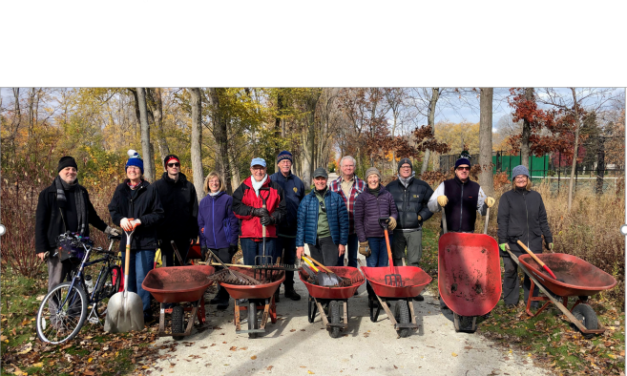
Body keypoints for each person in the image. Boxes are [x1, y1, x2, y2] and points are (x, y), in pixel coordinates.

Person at [35, 156, 121, 326]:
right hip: (57, 246)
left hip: (79, 245)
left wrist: (107, 229)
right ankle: (57, 321)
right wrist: (40, 247)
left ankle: (74, 316)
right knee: (56, 284)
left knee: (78, 281)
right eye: (67, 169)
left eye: (73, 169)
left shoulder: (81, 192)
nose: (71, 172)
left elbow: (92, 216)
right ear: (60, 172)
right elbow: (40, 222)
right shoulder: (48, 194)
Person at [427, 153, 495, 310]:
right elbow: (430, 206)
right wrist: (438, 201)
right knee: (447, 267)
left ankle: (464, 296)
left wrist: (486, 204)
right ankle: (445, 298)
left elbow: (482, 211)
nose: (464, 170)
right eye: (460, 168)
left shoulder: (476, 188)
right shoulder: (445, 185)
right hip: (448, 233)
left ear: (469, 170)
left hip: (468, 235)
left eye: (466, 168)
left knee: (466, 268)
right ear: (455, 170)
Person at [108, 150, 164, 323]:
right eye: (130, 167)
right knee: (128, 277)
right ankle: (129, 310)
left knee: (142, 277)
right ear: (126, 170)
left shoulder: (150, 189)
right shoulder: (121, 190)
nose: (132, 170)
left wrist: (140, 221)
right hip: (127, 241)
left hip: (145, 241)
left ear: (141, 171)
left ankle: (144, 310)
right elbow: (113, 210)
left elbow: (158, 214)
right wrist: (121, 220)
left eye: (136, 168)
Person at [497, 165, 553, 310]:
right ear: (513, 179)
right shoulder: (507, 197)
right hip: (513, 242)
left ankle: (532, 303)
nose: (521, 179)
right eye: (517, 176)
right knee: (510, 271)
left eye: (523, 176)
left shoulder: (536, 197)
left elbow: (543, 219)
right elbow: (502, 220)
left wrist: (548, 238)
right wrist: (502, 241)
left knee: (532, 274)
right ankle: (510, 302)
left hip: (533, 241)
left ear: (528, 178)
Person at [385, 158, 433, 301]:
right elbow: (382, 205)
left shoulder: (422, 186)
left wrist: (421, 217)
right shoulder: (390, 187)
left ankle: (413, 290)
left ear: (411, 169)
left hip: (414, 230)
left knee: (414, 260)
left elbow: (432, 204)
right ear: (398, 169)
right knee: (397, 259)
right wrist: (388, 218)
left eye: (408, 167)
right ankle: (398, 289)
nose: (406, 169)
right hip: (396, 231)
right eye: (403, 166)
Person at [354, 167, 398, 305]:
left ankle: (382, 295)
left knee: (384, 267)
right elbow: (358, 221)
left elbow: (394, 211)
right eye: (370, 177)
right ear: (367, 180)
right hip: (371, 238)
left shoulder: (387, 195)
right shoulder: (362, 197)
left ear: (379, 178)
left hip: (386, 236)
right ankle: (372, 296)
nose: (373, 180)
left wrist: (393, 218)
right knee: (372, 268)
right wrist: (363, 241)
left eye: (375, 177)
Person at [232, 158, 286, 267]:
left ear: (265, 169)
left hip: (268, 235)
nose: (258, 171)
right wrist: (253, 211)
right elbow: (236, 208)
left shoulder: (276, 188)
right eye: (255, 168)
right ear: (251, 170)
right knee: (250, 270)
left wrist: (272, 219)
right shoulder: (243, 188)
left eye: (261, 168)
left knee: (266, 270)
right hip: (248, 236)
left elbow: (282, 210)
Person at [198, 172, 240, 310]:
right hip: (210, 243)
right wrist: (203, 244)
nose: (214, 183)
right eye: (211, 181)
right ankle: (219, 293)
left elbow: (234, 222)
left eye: (216, 181)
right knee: (215, 271)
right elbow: (201, 224)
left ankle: (224, 298)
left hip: (225, 242)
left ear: (220, 183)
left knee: (224, 270)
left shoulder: (227, 199)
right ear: (207, 184)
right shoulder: (204, 202)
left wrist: (233, 241)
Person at [295, 167, 349, 267]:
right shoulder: (306, 200)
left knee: (331, 270)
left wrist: (342, 243)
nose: (320, 181)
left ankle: (331, 283)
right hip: (313, 241)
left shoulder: (336, 198)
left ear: (326, 179)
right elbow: (300, 225)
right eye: (317, 179)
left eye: (322, 179)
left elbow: (344, 223)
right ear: (313, 180)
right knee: (318, 271)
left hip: (330, 239)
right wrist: (300, 245)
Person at [270, 151, 305, 301]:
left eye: (288, 161)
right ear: (278, 164)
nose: (286, 163)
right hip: (276, 228)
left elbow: (302, 204)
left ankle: (289, 288)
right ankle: (275, 289)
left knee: (290, 261)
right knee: (276, 260)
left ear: (291, 163)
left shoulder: (297, 182)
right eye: (283, 161)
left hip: (292, 228)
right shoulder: (271, 180)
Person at [152, 154, 199, 266]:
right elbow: (152, 211)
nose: (174, 166)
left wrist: (194, 234)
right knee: (167, 269)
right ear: (166, 167)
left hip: (184, 235)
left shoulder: (188, 187)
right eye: (171, 164)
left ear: (179, 166)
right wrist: (155, 235)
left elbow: (194, 211)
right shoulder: (157, 186)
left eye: (176, 164)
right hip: (164, 236)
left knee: (182, 268)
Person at [329, 156, 366, 272]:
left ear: (354, 167)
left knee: (353, 258)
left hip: (355, 228)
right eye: (345, 165)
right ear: (340, 167)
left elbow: (367, 206)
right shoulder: (333, 185)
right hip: (339, 229)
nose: (348, 168)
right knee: (339, 257)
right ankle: (340, 284)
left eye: (350, 165)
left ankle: (351, 284)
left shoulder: (362, 185)